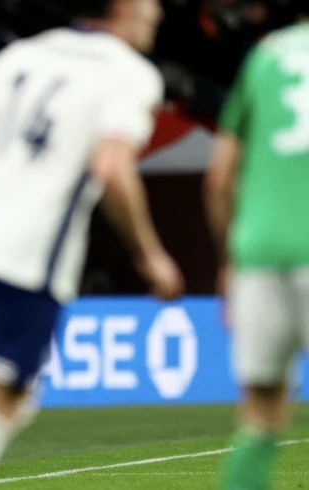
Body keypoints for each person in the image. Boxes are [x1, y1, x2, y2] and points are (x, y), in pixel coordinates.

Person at [0, 0, 184, 489]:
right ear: (122, 7)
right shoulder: (130, 73)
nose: (157, 13)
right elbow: (113, 168)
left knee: (3, 397)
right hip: (28, 256)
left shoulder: (28, 51)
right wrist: (149, 253)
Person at [205, 14, 309, 490]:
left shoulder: (264, 56)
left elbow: (219, 179)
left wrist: (231, 263)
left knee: (261, 414)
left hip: (260, 253)